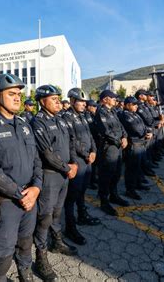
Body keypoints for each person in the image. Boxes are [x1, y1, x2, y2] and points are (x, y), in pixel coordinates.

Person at [0, 73, 43, 282]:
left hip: (30, 199)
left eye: (19, 94)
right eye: (11, 93)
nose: (17, 98)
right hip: (6, 204)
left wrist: (36, 188)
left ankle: (25, 275)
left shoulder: (23, 123)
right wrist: (21, 194)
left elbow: (37, 160)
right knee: (2, 257)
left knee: (25, 245)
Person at [31, 85, 78, 282]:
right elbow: (47, 153)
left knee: (57, 212)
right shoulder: (38, 122)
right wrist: (68, 168)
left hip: (64, 175)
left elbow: (71, 142)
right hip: (50, 175)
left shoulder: (61, 119)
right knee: (45, 216)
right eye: (53, 99)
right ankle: (41, 257)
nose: (58, 102)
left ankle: (56, 242)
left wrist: (74, 162)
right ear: (42, 102)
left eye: (59, 99)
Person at [61, 88, 99, 246]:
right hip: (77, 160)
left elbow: (90, 136)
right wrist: (86, 154)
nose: (84, 104)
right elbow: (72, 140)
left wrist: (94, 151)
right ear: (71, 101)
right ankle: (70, 228)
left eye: (84, 102)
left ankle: (82, 216)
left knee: (82, 191)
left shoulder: (83, 116)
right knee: (71, 197)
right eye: (80, 101)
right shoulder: (66, 117)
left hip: (88, 160)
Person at [93, 90, 129, 216]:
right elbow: (105, 131)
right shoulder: (101, 112)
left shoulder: (112, 111)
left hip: (118, 147)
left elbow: (121, 126)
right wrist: (119, 141)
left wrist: (124, 136)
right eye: (113, 98)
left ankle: (114, 195)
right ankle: (104, 201)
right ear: (105, 99)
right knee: (106, 175)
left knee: (117, 173)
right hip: (109, 148)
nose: (115, 100)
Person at [118, 96, 153, 201]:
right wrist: (146, 132)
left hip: (141, 143)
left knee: (138, 166)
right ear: (128, 105)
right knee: (131, 169)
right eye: (134, 104)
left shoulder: (135, 114)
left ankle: (137, 184)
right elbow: (136, 128)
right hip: (134, 145)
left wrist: (149, 131)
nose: (136, 106)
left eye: (137, 104)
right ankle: (130, 189)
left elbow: (143, 125)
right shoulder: (125, 115)